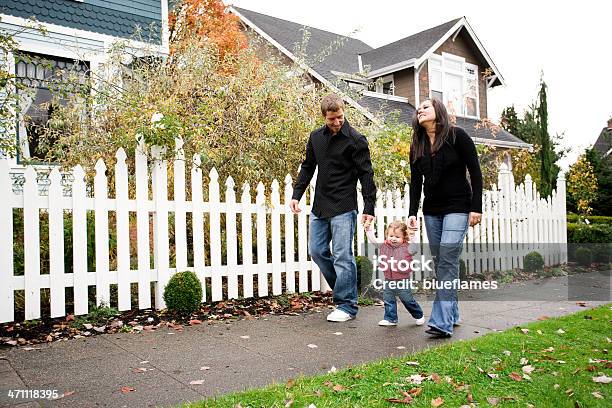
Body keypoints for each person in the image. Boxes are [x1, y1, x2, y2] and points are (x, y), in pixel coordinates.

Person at [290, 93, 376, 322]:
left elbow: (366, 175)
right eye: (332, 119)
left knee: (342, 256)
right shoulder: (316, 137)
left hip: (344, 205)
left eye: (340, 117)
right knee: (317, 251)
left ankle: (347, 306)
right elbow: (308, 167)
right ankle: (345, 289)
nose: (337, 122)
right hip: (320, 205)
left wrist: (369, 207)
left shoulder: (356, 140)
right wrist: (297, 194)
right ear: (324, 117)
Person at [407, 98, 483, 338]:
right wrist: (412, 212)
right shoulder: (417, 144)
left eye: (425, 106)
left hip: (458, 206)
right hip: (432, 210)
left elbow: (475, 171)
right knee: (443, 262)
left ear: (438, 111)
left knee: (448, 259)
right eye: (419, 109)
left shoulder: (457, 136)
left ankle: (441, 322)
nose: (420, 110)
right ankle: (453, 313)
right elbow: (415, 183)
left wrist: (476, 207)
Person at [365, 220, 425, 326]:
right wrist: (368, 230)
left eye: (397, 237)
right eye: (391, 235)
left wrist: (413, 235)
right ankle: (390, 318)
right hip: (389, 278)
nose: (393, 239)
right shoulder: (383, 245)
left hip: (403, 279)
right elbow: (373, 240)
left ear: (404, 238)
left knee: (407, 300)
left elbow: (415, 248)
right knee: (388, 298)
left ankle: (419, 315)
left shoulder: (408, 247)